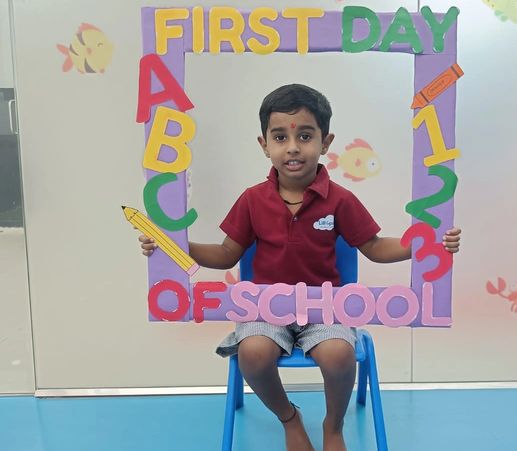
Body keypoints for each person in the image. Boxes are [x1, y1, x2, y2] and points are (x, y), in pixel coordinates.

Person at [139, 84, 461, 451]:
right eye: (281, 137)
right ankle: (289, 419)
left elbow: (373, 246)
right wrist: (176, 244)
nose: (292, 147)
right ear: (265, 144)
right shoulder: (252, 200)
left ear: (325, 142)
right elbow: (227, 254)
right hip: (264, 308)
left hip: (324, 308)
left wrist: (424, 246)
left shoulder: (340, 199)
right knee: (254, 353)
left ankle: (333, 425)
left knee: (339, 354)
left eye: (305, 136)